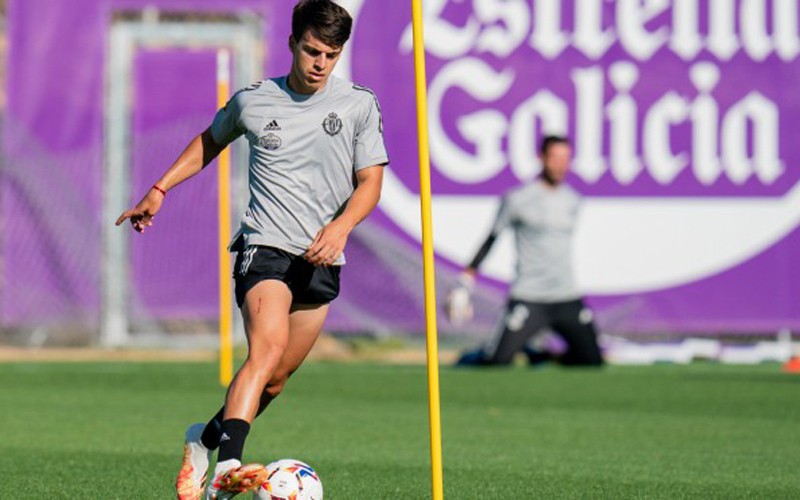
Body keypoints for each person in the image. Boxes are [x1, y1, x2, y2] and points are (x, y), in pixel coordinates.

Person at [115, 1, 388, 498]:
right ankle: (228, 465)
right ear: (292, 44)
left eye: (331, 54)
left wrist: (343, 226)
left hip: (322, 254)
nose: (320, 63)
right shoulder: (254, 100)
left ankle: (204, 439)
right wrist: (160, 188)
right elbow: (209, 141)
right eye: (311, 51)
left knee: (276, 380)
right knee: (266, 349)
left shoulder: (358, 104)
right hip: (264, 246)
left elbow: (371, 181)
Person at [453, 135, 603, 367]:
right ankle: (471, 357)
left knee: (592, 361)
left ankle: (539, 355)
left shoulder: (573, 200)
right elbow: (491, 238)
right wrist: (466, 278)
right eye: (555, 158)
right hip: (529, 296)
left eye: (566, 158)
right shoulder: (518, 198)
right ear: (541, 158)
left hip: (566, 295)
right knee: (498, 362)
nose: (561, 164)